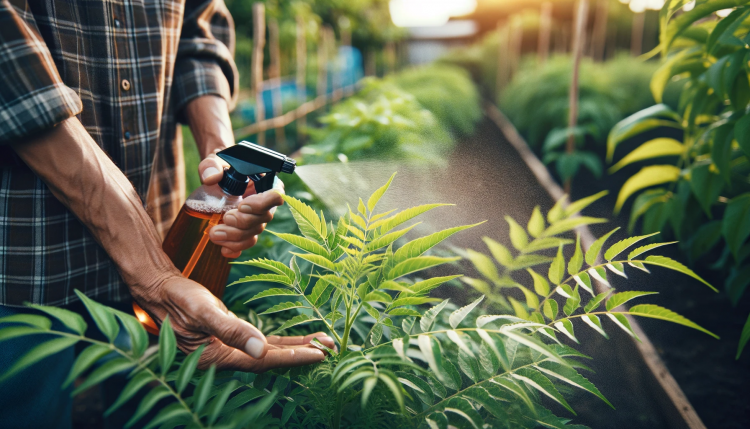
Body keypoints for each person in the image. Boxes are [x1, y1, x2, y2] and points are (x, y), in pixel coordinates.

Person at [0, 1, 333, 427]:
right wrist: (154, 275)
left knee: (145, 412)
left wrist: (222, 157)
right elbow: (14, 76)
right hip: (23, 261)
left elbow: (198, 28)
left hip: (157, 236)